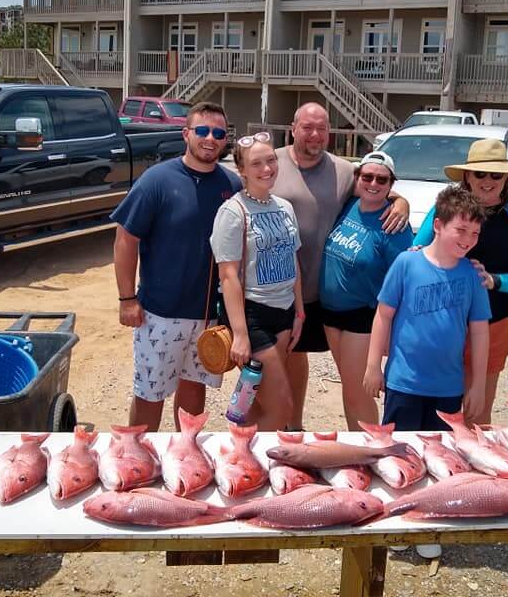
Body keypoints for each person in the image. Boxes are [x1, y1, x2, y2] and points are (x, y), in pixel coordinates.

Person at [363, 185, 490, 561]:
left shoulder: (471, 275)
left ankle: (431, 522)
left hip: (448, 387)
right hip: (404, 382)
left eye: (474, 233)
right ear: (438, 225)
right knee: (400, 452)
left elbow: (479, 331)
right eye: (460, 230)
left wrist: (477, 384)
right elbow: (383, 315)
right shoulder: (407, 263)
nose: (467, 240)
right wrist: (373, 365)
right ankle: (399, 518)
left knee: (442, 459)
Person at [273, 102, 409, 430]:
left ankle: (369, 445)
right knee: (289, 361)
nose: (315, 134)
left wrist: (401, 201)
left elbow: (379, 190)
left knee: (354, 385)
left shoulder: (343, 170)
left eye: (322, 128)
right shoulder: (272, 162)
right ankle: (292, 428)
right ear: (293, 128)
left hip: (333, 302)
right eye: (307, 127)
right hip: (280, 290)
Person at [112, 102, 240, 431]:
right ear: (186, 134)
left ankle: (186, 451)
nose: (210, 138)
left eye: (218, 133)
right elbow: (126, 238)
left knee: (194, 392)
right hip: (159, 314)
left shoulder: (233, 186)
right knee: (149, 395)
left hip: (208, 316)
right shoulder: (156, 181)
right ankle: (138, 453)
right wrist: (127, 299)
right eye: (202, 131)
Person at [413, 139, 508, 425]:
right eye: (480, 173)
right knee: (434, 412)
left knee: (477, 413)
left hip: (493, 323)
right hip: (439, 322)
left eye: (496, 174)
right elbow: (416, 254)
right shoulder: (443, 211)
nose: (488, 181)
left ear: (507, 179)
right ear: (467, 176)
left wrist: (494, 280)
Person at [211, 132, 305, 431]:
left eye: (271, 160)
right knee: (281, 406)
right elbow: (228, 275)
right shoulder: (233, 211)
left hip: (284, 310)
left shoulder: (285, 207)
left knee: (256, 401)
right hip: (252, 315)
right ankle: (257, 455)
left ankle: (241, 452)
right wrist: (240, 335)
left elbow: (293, 259)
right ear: (242, 170)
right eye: (256, 164)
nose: (267, 168)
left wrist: (299, 311)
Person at [319, 151, 413, 430]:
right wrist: (401, 199)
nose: (373, 184)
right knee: (349, 387)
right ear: (357, 178)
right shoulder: (349, 204)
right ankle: (357, 442)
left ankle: (372, 446)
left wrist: (392, 329)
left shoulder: (393, 223)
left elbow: (402, 279)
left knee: (358, 391)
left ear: (391, 184)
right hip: (330, 312)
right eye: (367, 177)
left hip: (362, 316)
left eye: (382, 180)